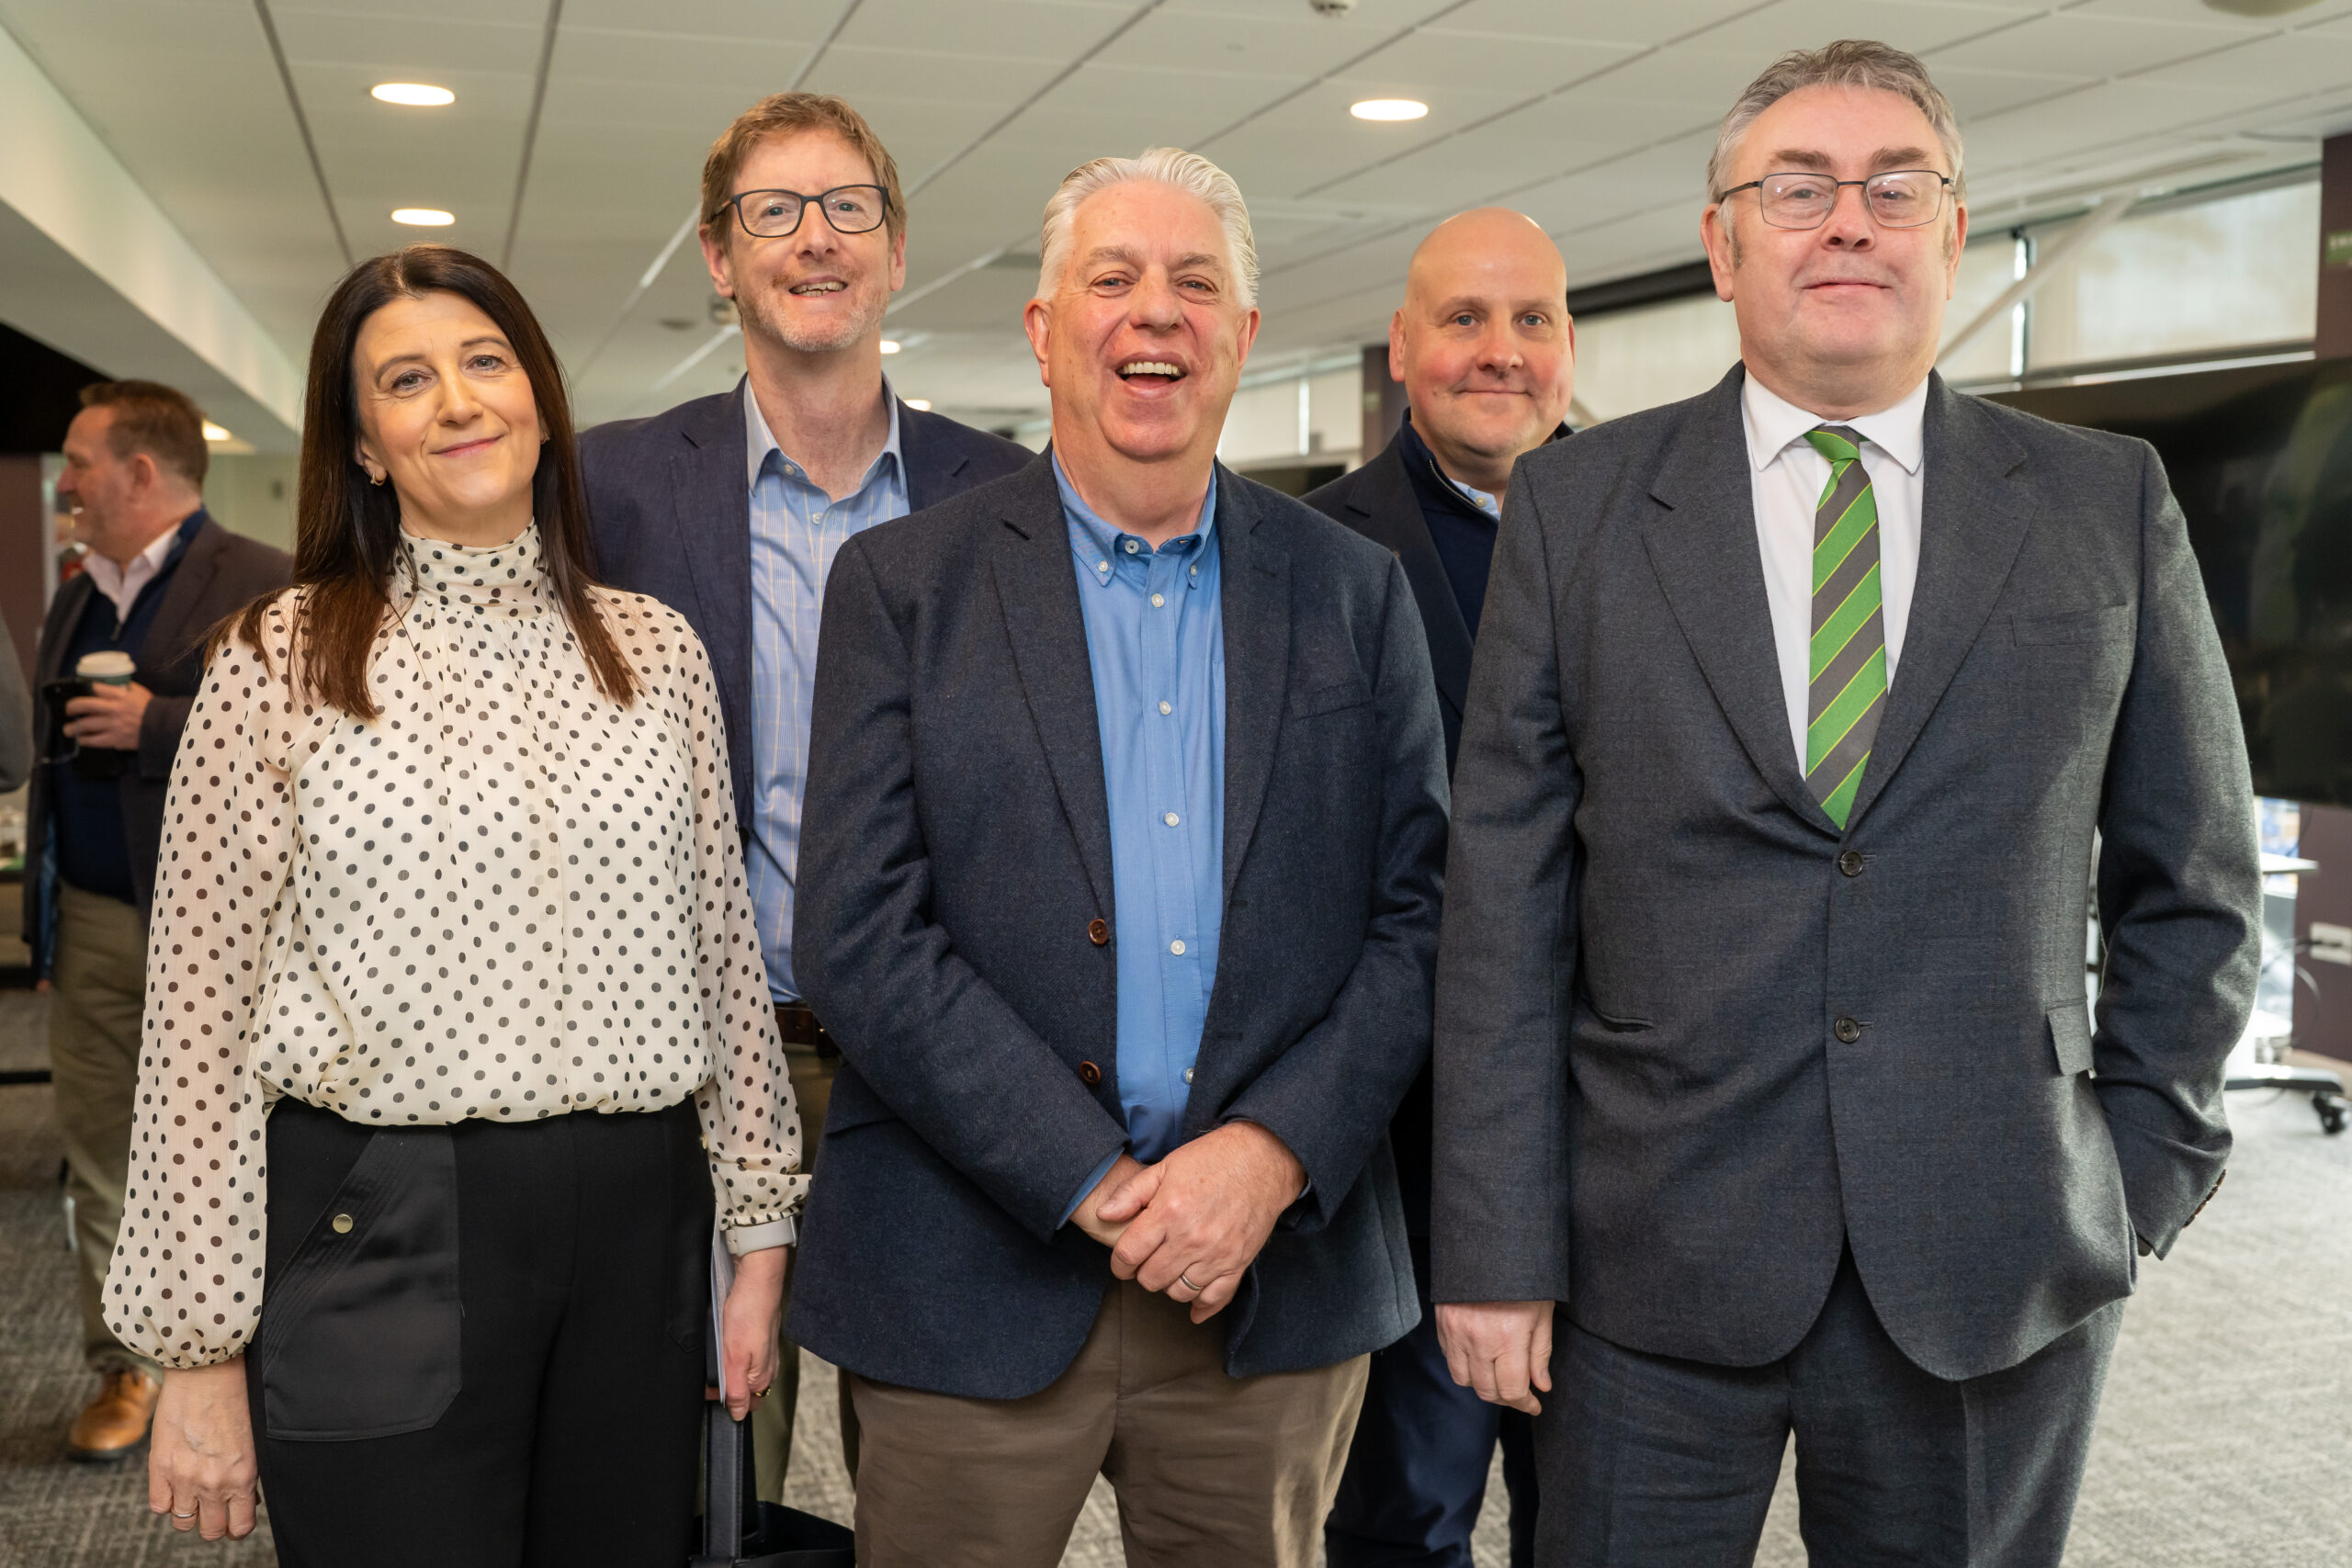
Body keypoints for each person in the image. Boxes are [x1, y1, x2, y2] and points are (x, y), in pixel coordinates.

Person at [1430, 39, 2262, 1568]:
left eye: (1897, 188)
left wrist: (2138, 1172)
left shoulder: (2105, 504)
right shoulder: (1579, 506)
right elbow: (1504, 907)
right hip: (1648, 1261)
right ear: (1722, 242)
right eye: (1798, 189)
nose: (1849, 225)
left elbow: (2196, 881)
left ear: (1954, 231)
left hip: (1993, 1250)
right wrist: (1493, 1243)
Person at [790, 147, 1449, 1568]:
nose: (1156, 312)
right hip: (968, 1272)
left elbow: (1425, 917)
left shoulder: (1354, 591)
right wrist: (1090, 1173)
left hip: (1268, 1284)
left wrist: (1265, 1158)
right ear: (1045, 332)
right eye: (1113, 278)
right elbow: (860, 930)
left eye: (1195, 283)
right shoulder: (906, 585)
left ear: (1242, 336)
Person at [108, 244, 804, 1562]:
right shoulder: (275, 659)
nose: (458, 400)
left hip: (637, 1215)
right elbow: (196, 1026)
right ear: (364, 448)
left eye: (486, 361)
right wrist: (195, 1350)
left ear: (540, 399)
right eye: (406, 380)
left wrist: (758, 1229)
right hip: (385, 1215)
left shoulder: (655, 651)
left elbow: (723, 950)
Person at [578, 92, 1028, 1495]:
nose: (815, 238)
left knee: (942, 1463)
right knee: (713, 1458)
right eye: (774, 211)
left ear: (897, 249)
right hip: (704, 1056)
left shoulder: (1005, 492)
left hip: (933, 1051)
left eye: (848, 208)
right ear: (720, 257)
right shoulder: (608, 487)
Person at [1305, 206, 1574, 1568]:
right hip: (1406, 1138)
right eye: (1463, 318)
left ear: (1569, 344)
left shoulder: (1661, 527)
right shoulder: (1309, 555)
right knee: (1405, 1518)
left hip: (1624, 1131)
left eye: (1532, 319)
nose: (1499, 350)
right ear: (1402, 345)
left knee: (1607, 1517)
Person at [30, 379, 289, 1463]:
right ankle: (124, 1367)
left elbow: (307, 737)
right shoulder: (76, 592)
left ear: (141, 471)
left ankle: (261, 1359)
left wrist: (157, 722)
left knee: (236, 1150)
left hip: (224, 935)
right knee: (101, 1152)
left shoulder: (265, 578)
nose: (67, 482)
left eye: (81, 461)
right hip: (92, 917)